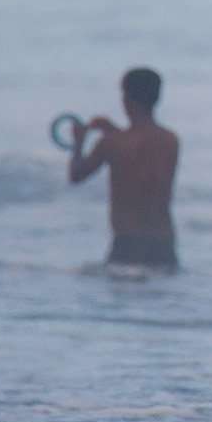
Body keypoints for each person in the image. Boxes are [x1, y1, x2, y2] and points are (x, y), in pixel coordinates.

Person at [69, 67, 181, 270]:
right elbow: (142, 153)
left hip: (127, 242)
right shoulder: (170, 141)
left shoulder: (112, 143)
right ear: (156, 98)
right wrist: (114, 131)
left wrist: (79, 143)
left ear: (127, 99)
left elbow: (76, 175)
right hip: (163, 243)